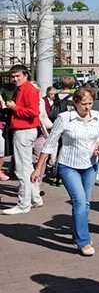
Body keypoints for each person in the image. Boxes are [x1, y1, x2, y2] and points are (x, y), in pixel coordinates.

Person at [32, 87, 99, 255]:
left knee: (85, 203)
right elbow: (50, 143)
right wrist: (38, 169)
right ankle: (83, 241)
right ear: (75, 103)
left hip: (90, 165)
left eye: (90, 103)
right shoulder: (64, 119)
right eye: (84, 104)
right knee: (79, 201)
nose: (87, 107)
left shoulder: (98, 116)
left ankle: (78, 231)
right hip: (68, 166)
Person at [2, 64, 43, 215]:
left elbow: (33, 112)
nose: (15, 79)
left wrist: (14, 108)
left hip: (24, 131)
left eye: (18, 76)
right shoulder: (24, 89)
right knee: (27, 168)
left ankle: (23, 204)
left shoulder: (28, 90)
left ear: (26, 76)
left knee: (22, 169)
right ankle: (35, 198)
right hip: (24, 130)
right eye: (13, 76)